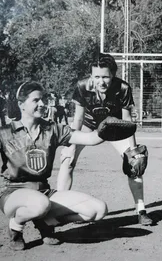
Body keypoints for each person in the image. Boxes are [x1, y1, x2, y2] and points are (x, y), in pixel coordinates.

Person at [0, 81, 108, 251]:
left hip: (43, 192)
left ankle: (45, 222)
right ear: (21, 104)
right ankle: (16, 226)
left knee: (97, 210)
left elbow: (90, 139)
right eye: (36, 100)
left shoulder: (52, 129)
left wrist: (106, 128)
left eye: (43, 99)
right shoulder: (4, 132)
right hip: (13, 193)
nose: (42, 104)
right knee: (40, 204)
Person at [58, 53, 153, 226]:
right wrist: (70, 146)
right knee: (67, 161)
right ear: (91, 75)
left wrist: (132, 151)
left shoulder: (122, 88)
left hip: (114, 126)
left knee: (135, 165)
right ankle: (58, 208)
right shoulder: (82, 87)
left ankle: (141, 210)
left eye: (105, 77)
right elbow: (78, 119)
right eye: (97, 76)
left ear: (113, 75)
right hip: (89, 125)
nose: (101, 82)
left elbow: (126, 122)